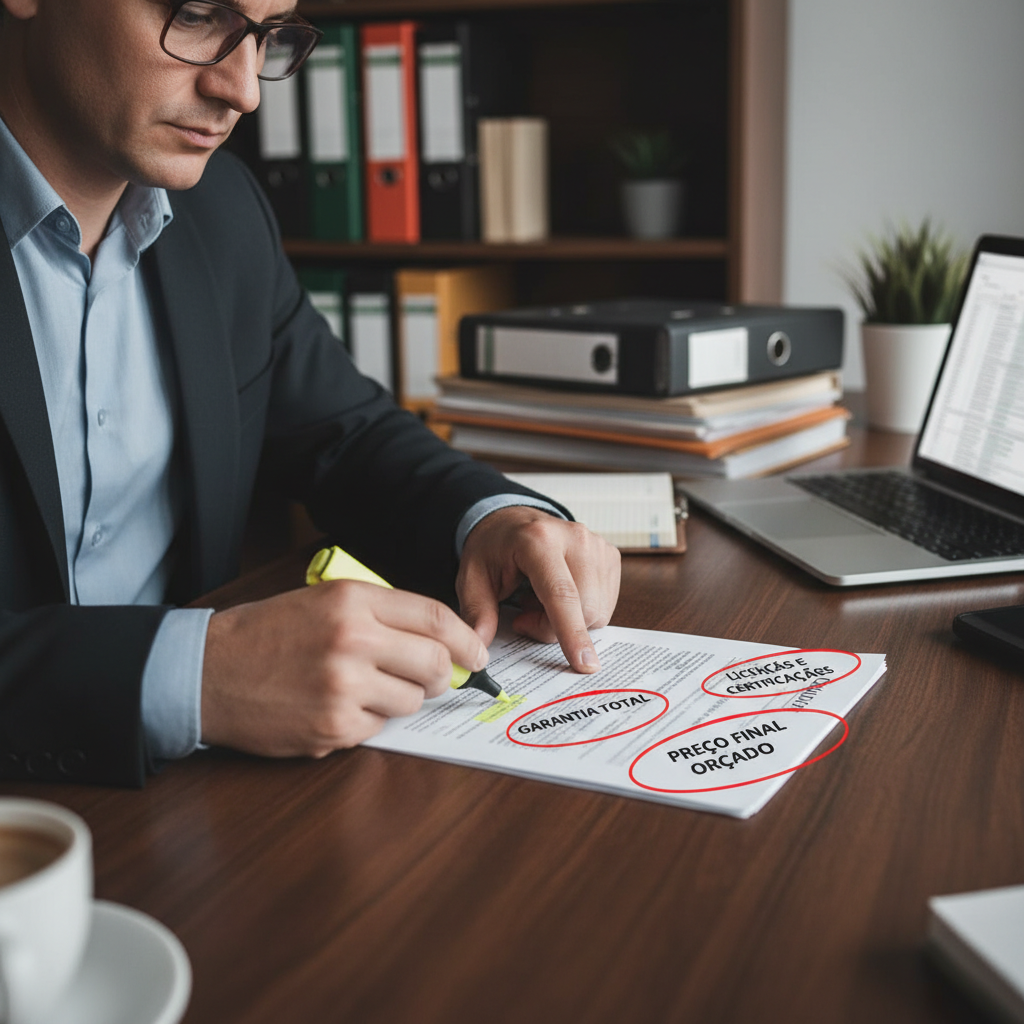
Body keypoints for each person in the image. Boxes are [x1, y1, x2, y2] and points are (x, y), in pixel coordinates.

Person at [0, 0, 620, 786]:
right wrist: (188, 678)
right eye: (197, 16)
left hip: (192, 810)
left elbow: (347, 433)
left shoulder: (222, 209)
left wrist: (494, 519)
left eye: (265, 35)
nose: (244, 90)